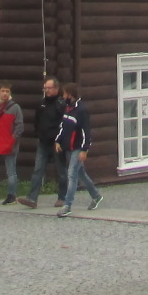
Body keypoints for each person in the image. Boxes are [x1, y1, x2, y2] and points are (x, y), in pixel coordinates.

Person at [54, 81, 102, 217]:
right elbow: (63, 126)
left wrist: (84, 149)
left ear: (70, 94)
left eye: (64, 93)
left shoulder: (82, 110)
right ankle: (96, 195)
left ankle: (67, 205)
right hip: (68, 147)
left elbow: (86, 132)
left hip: (78, 148)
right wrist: (58, 140)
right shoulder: (67, 108)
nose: (63, 96)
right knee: (81, 174)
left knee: (72, 175)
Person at [20, 77, 66, 208]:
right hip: (43, 142)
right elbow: (37, 121)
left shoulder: (61, 104)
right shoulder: (42, 104)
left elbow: (64, 123)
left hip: (57, 142)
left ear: (56, 89)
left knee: (61, 171)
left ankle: (62, 197)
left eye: (48, 88)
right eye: (45, 88)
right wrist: (38, 134)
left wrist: (60, 139)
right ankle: (32, 198)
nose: (46, 90)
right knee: (38, 170)